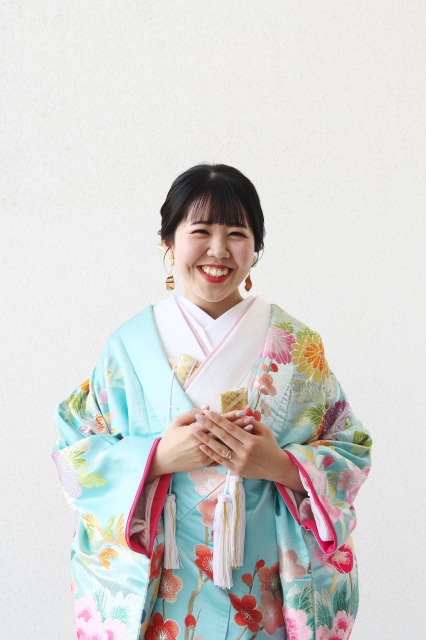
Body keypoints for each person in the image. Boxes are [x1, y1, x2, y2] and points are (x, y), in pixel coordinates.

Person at [52, 163, 372, 640]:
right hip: (163, 589)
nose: (218, 250)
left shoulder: (296, 346)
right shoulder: (129, 347)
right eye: (200, 231)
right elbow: (74, 453)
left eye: (237, 234)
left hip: (265, 589)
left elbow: (351, 448)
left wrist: (280, 466)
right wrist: (157, 458)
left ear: (256, 248)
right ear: (169, 242)